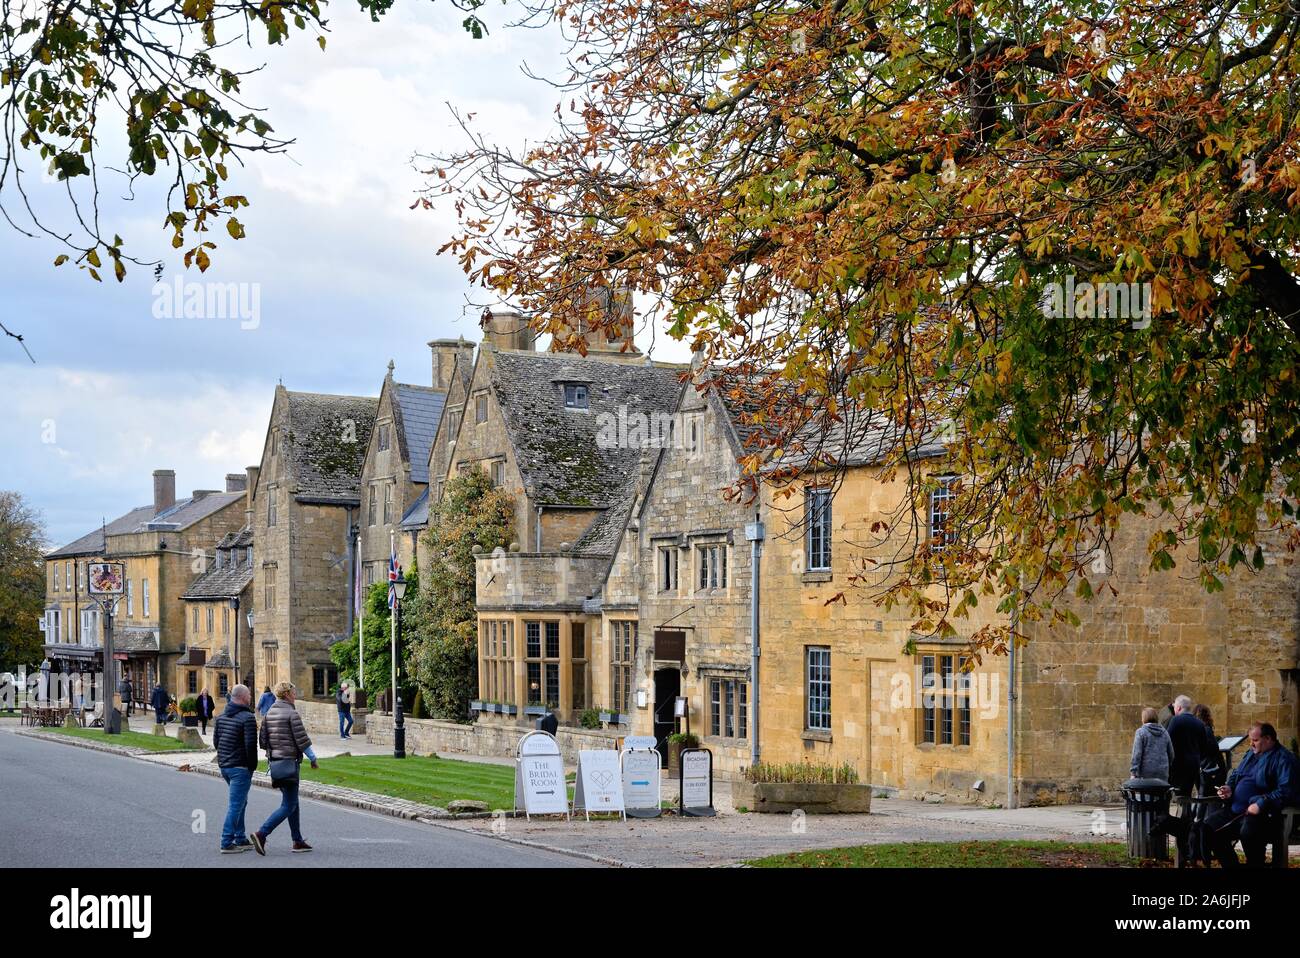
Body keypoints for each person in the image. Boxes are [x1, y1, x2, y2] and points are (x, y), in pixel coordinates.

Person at [1205, 721, 1298, 867]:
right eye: (1250, 740)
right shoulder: (1250, 754)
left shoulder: (1283, 758)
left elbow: (1286, 791)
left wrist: (1261, 803)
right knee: (1207, 828)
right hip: (1235, 812)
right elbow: (1236, 774)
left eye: (1255, 740)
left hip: (1264, 816)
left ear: (1268, 739)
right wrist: (1229, 788)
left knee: (1248, 831)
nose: (1251, 744)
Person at [250, 681, 317, 855]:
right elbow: (302, 739)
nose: (295, 695)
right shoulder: (291, 713)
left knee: (291, 801)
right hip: (289, 763)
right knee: (289, 804)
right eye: (294, 692)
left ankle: (297, 840)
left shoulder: (269, 713)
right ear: (287, 694)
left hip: (275, 763)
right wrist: (313, 758)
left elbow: (263, 742)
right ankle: (262, 833)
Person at [212, 684, 258, 853]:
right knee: (236, 805)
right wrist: (252, 767)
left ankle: (240, 837)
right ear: (243, 698)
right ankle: (226, 841)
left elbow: (216, 742)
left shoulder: (221, 717)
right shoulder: (247, 718)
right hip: (240, 767)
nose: (251, 698)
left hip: (225, 766)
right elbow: (251, 745)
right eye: (250, 695)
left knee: (241, 802)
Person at [1166, 695, 1208, 794]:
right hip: (1194, 765)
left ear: (1179, 707)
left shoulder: (1175, 720)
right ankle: (1186, 809)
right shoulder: (1199, 723)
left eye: (1175, 707)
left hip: (1177, 764)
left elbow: (1168, 742)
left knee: (1173, 793)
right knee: (1187, 794)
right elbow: (1204, 747)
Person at [1130, 707, 1174, 780]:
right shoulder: (1165, 732)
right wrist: (1166, 766)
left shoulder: (1140, 732)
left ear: (1143, 719)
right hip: (1162, 772)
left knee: (1145, 791)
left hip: (1145, 773)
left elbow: (1137, 754)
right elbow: (1171, 754)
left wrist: (1133, 773)